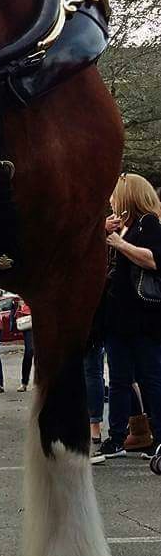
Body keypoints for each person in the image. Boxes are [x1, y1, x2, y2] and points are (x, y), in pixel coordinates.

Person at [101, 173, 161, 459]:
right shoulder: (121, 227)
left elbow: (153, 259)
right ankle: (117, 437)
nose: (111, 199)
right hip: (118, 319)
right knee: (119, 379)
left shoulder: (148, 222)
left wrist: (120, 244)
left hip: (143, 317)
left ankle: (158, 436)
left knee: (151, 376)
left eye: (115, 194)